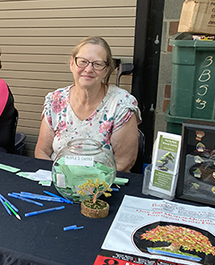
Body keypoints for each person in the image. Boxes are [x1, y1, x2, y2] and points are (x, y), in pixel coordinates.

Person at [35, 36, 141, 172]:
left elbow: (123, 163)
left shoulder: (121, 105)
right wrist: (62, 181)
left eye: (97, 64)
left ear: (106, 70)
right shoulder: (56, 100)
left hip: (102, 186)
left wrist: (85, 185)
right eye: (83, 62)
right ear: (72, 64)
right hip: (58, 182)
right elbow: (41, 153)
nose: (89, 69)